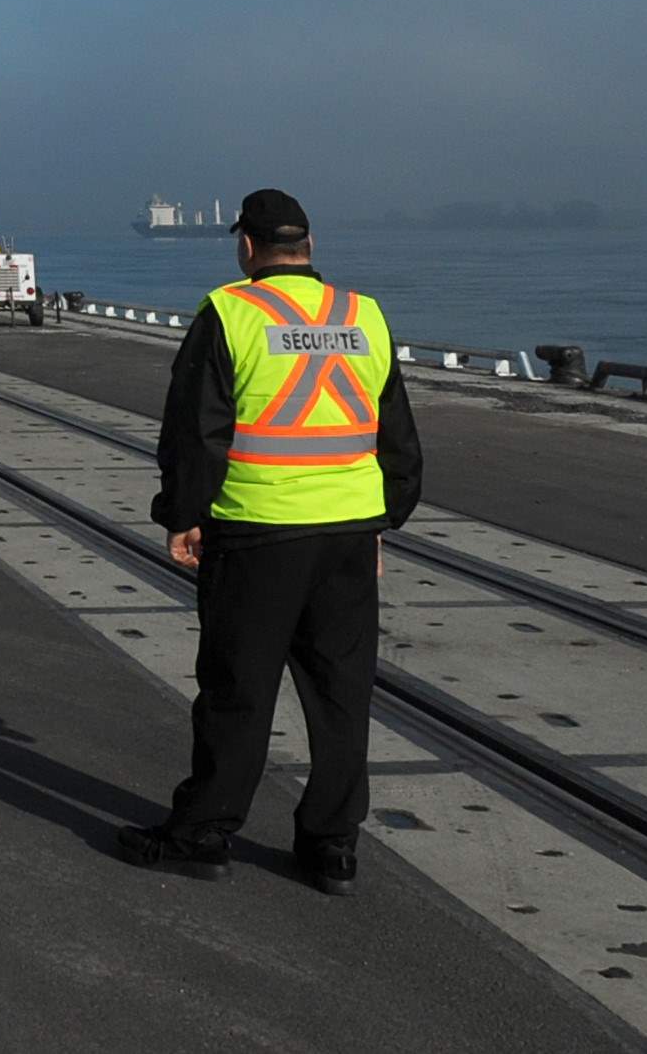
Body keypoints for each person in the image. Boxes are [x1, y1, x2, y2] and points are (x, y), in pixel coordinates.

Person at [116, 187, 421, 896]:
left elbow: (197, 430)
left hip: (256, 531)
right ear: (309, 247)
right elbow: (398, 438)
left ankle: (205, 833)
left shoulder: (230, 311)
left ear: (247, 246)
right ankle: (331, 847)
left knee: (239, 689)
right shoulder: (363, 314)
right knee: (341, 695)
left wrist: (182, 512)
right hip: (346, 536)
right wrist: (380, 520)